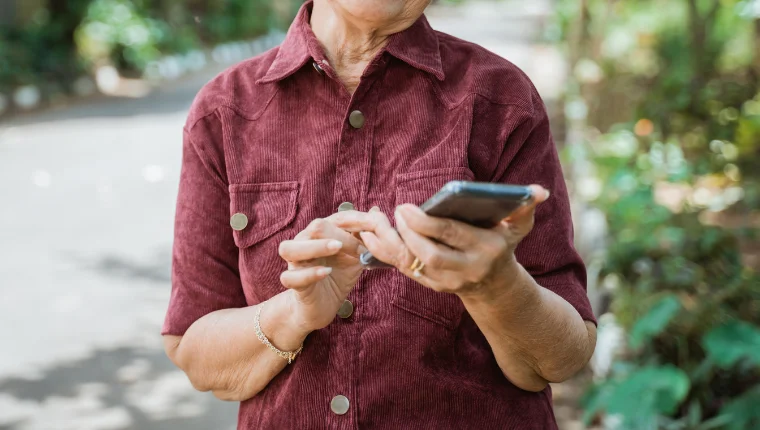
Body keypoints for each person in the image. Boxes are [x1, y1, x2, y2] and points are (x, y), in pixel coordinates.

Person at [161, 0, 597, 428]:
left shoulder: (501, 99)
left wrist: (495, 286)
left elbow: (561, 357)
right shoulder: (223, 111)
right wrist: (294, 313)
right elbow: (197, 356)